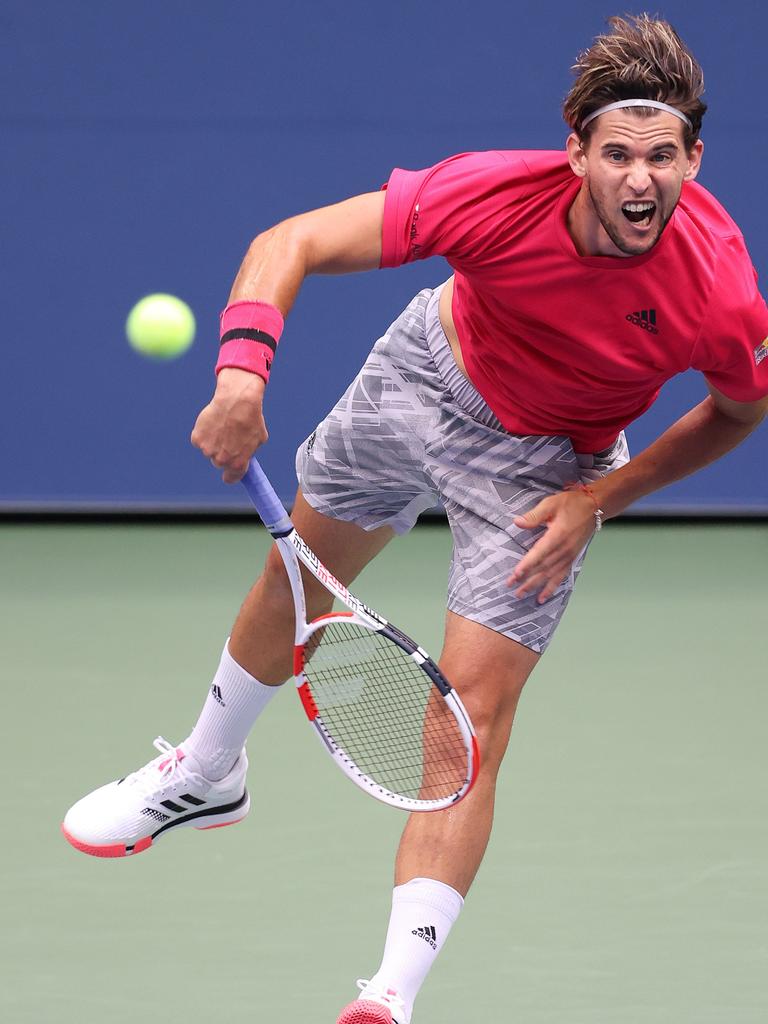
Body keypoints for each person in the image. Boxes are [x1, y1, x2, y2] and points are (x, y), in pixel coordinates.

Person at [62, 14, 768, 1024]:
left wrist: (596, 497)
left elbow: (740, 410)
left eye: (663, 156)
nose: (641, 180)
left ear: (694, 159)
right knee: (295, 577)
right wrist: (239, 375)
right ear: (576, 154)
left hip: (551, 465)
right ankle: (207, 770)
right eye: (617, 154)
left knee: (469, 726)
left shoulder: (719, 285)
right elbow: (291, 240)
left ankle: (388, 996)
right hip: (426, 378)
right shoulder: (490, 193)